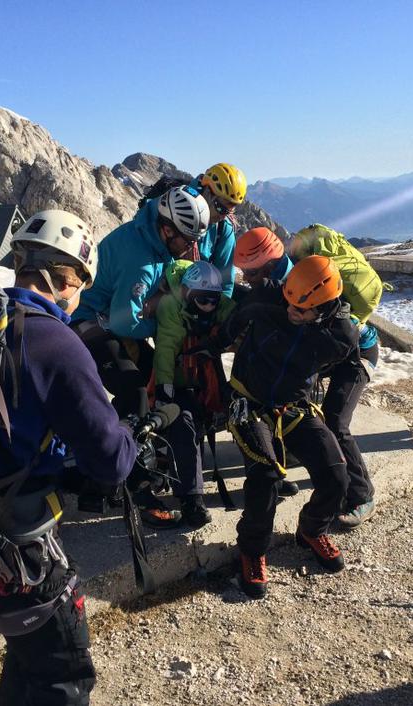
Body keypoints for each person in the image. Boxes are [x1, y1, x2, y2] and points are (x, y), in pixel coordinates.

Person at [0, 209, 138, 705]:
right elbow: (112, 462)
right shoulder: (56, 342)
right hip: (20, 548)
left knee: (30, 658)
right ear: (67, 280)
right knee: (63, 676)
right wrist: (126, 431)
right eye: (80, 283)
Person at [211, 256, 359, 598]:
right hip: (248, 401)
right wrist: (212, 349)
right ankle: (252, 550)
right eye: (289, 302)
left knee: (336, 475)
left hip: (294, 407)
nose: (291, 310)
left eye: (301, 310)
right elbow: (234, 323)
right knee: (265, 476)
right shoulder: (268, 298)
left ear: (324, 309)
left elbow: (339, 365)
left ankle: (311, 529)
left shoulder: (341, 335)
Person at [71, 186, 210, 528]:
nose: (190, 247)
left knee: (156, 380)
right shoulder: (141, 261)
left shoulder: (153, 238)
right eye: (187, 240)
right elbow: (126, 322)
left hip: (109, 319)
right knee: (134, 392)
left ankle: (137, 457)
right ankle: (135, 487)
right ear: (168, 229)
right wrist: (163, 324)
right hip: (89, 323)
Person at [234, 226, 382, 528]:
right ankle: (286, 463)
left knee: (335, 421)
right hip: (326, 353)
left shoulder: (300, 284)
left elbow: (323, 341)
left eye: (251, 272)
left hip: (356, 357)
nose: (246, 278)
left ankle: (361, 495)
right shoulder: (287, 284)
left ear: (269, 265)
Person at [152, 261, 235, 528]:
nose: (208, 306)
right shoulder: (171, 305)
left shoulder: (221, 305)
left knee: (241, 412)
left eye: (213, 300)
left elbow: (238, 320)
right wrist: (164, 388)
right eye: (202, 300)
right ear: (187, 292)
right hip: (177, 380)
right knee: (183, 423)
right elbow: (166, 346)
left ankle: (271, 476)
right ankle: (191, 500)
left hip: (206, 378)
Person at [187, 162, 247, 297]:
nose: (223, 216)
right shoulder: (176, 207)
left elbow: (225, 282)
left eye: (229, 211)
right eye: (221, 208)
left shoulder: (223, 227)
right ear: (208, 193)